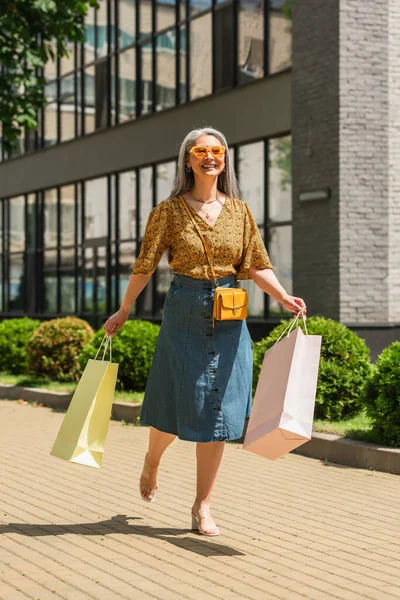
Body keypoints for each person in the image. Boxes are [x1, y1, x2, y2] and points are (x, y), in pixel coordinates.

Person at [104, 127, 306, 537]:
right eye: (201, 151)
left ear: (225, 160)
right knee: (179, 402)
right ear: (188, 159)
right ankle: (153, 460)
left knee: (219, 411)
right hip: (184, 312)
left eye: (218, 151)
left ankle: (202, 506)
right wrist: (125, 309)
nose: (210, 157)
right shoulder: (168, 211)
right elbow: (145, 264)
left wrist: (283, 295)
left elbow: (254, 264)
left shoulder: (240, 212)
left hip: (229, 315)